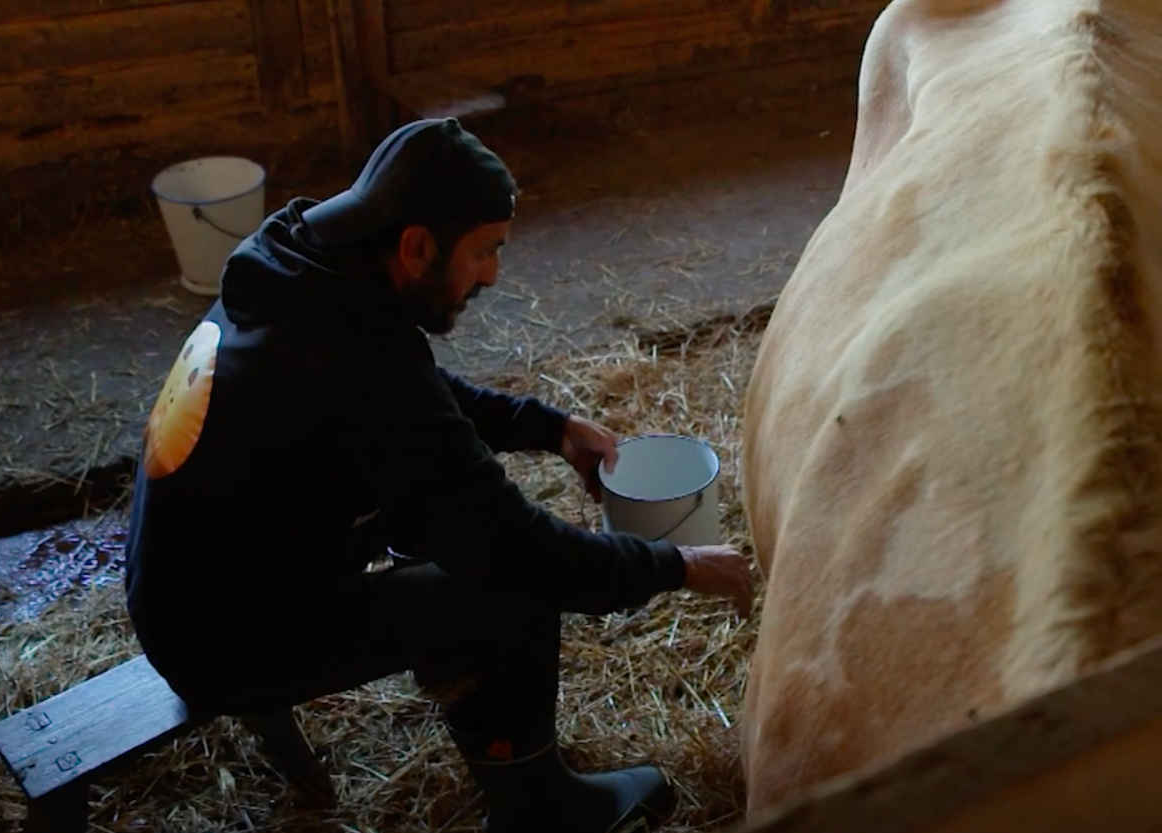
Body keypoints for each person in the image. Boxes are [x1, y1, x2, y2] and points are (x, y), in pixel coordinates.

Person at [124, 117, 755, 832]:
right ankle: (541, 808)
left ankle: (467, 689)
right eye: (484, 251)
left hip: (185, 581)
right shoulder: (353, 367)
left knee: (438, 517)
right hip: (220, 641)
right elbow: (518, 546)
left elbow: (414, 391)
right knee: (510, 587)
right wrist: (675, 564)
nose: (492, 273)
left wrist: (546, 427)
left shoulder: (296, 263)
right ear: (417, 246)